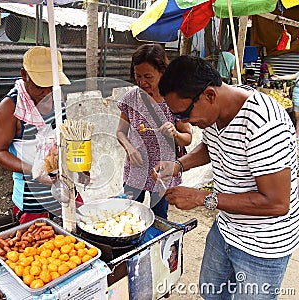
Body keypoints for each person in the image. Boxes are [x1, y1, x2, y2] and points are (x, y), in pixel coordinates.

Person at [154, 55, 299, 299]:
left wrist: (202, 198)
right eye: (178, 117)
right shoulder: (216, 110)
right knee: (212, 293)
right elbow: (212, 146)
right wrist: (178, 165)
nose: (186, 122)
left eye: (186, 114)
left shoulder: (264, 123)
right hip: (227, 228)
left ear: (210, 95)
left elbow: (276, 203)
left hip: (263, 245)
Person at [0, 46, 70, 224]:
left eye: (53, 84)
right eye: (41, 85)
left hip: (61, 187)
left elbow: (62, 133)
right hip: (31, 198)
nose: (48, 91)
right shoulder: (10, 107)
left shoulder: (58, 96)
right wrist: (33, 169)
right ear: (24, 75)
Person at [116, 44, 192, 219]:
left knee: (158, 218)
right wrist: (129, 148)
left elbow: (187, 138)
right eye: (138, 76)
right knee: (129, 215)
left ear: (162, 72)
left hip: (163, 173)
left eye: (148, 76)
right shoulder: (131, 98)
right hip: (136, 169)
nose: (142, 82)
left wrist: (174, 133)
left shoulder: (174, 98)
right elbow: (120, 132)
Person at [272, 71, 299, 139]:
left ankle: (297, 134)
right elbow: (291, 76)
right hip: (296, 97)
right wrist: (279, 77)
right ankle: (296, 134)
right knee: (297, 116)